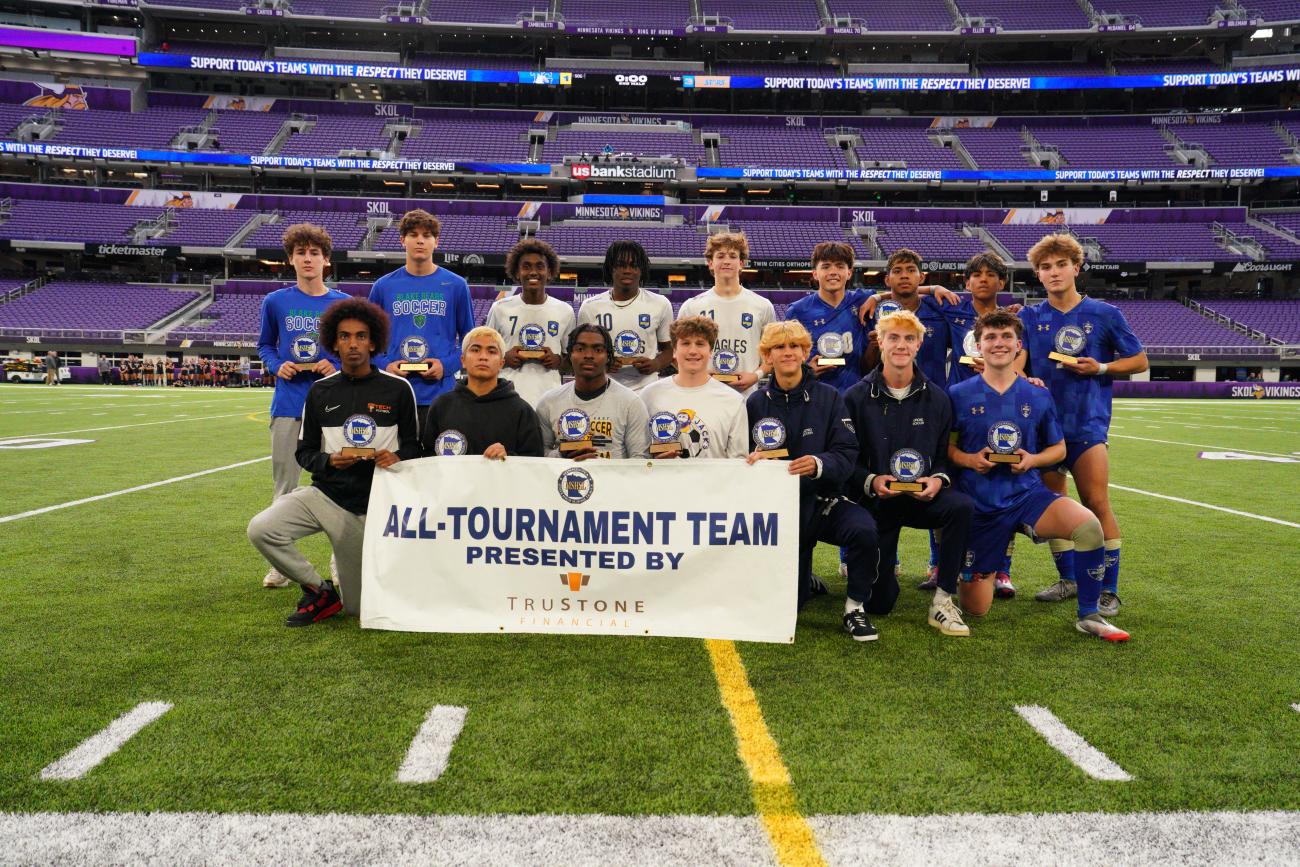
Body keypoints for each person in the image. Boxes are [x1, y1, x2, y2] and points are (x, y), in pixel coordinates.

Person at [948, 310, 1128, 641]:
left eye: (1005, 337)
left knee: (1088, 527)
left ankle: (1089, 613)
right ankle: (976, 573)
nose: (998, 343)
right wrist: (970, 459)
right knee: (976, 607)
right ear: (978, 346)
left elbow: (1058, 449)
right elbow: (946, 450)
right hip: (981, 503)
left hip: (1027, 495)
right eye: (990, 337)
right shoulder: (958, 394)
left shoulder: (1037, 393)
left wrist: (1032, 460)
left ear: (1018, 345)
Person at [247, 297, 420, 628]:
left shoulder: (398, 388)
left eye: (360, 336)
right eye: (344, 336)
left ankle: (348, 587)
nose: (353, 344)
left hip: (372, 505)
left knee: (357, 609)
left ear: (374, 342)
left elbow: (415, 447)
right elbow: (305, 452)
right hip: (326, 496)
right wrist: (328, 461)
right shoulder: (319, 392)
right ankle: (318, 589)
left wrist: (396, 457)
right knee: (262, 529)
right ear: (333, 342)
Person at [1018, 234, 1147, 616]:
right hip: (1044, 430)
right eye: (1045, 267)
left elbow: (1139, 361)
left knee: (1096, 501)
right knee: (1056, 506)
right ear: (1038, 275)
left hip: (1088, 426)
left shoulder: (1104, 314)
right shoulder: (1030, 317)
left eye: (1060, 265)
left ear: (1077, 268)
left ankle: (1109, 589)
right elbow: (1018, 363)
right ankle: (1071, 579)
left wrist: (1102, 367)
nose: (1053, 272)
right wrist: (1023, 378)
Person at [744, 321, 880, 639]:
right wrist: (750, 461)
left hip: (821, 502)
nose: (787, 352)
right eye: (779, 347)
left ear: (806, 352)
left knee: (863, 529)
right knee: (791, 605)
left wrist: (819, 464)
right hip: (775, 512)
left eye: (794, 346)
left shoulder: (830, 397)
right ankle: (805, 581)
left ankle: (854, 608)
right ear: (768, 355)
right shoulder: (754, 403)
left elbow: (847, 452)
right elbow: (741, 456)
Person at [844, 310, 974, 638]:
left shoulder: (938, 399)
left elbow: (945, 457)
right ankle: (877, 579)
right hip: (879, 502)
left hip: (921, 498)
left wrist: (938, 480)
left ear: (918, 345)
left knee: (961, 507)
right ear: (881, 342)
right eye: (893, 338)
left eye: (909, 339)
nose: (901, 345)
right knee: (879, 604)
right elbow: (846, 458)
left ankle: (943, 599)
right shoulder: (856, 397)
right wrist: (871, 480)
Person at [255, 223, 349, 588]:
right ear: (291, 259)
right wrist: (278, 365)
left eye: (314, 253)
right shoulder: (275, 301)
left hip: (333, 406)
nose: (307, 259)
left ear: (326, 260)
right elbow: (265, 346)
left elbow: (355, 349)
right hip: (289, 403)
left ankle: (340, 559)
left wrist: (336, 364)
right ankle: (283, 563)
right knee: (285, 487)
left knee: (336, 486)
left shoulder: (341, 302)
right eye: (300, 253)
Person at [942, 252, 1021, 599]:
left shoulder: (1015, 320)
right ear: (967, 281)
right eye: (977, 275)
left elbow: (1022, 363)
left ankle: (1002, 569)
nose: (984, 279)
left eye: (992, 274)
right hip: (960, 406)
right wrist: (930, 287)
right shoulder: (952, 310)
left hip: (1003, 410)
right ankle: (941, 563)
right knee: (952, 482)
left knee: (1004, 489)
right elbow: (911, 295)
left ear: (1002, 282)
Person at [368, 209, 475, 413]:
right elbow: (367, 340)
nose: (420, 241)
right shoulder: (383, 287)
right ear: (402, 240)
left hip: (441, 394)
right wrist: (384, 366)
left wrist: (446, 366)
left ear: (436, 242)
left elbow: (470, 341)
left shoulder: (456, 285)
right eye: (413, 235)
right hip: (394, 391)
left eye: (427, 236)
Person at [421, 326, 544, 459]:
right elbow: (429, 458)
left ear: (501, 363)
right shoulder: (441, 406)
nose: (483, 357)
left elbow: (534, 462)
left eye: (491, 351)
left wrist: (508, 457)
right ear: (463, 360)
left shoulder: (523, 411)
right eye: (475, 350)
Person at [676, 231, 775, 396]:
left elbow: (772, 354)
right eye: (720, 256)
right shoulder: (692, 307)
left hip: (746, 396)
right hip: (703, 394)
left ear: (741, 263)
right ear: (710, 263)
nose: (726, 261)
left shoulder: (763, 306)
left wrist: (756, 376)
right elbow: (678, 353)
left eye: (732, 256)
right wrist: (699, 374)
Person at [640, 316, 749, 460]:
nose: (693, 351)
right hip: (663, 481)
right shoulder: (648, 396)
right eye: (685, 343)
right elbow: (639, 456)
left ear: (710, 351)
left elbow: (738, 463)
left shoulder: (733, 400)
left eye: (700, 344)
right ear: (674, 350)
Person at [536, 324, 650, 460]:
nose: (589, 355)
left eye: (598, 349)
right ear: (570, 355)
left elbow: (640, 459)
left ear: (608, 356)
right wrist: (561, 454)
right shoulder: (549, 402)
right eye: (580, 349)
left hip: (613, 480)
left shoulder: (631, 403)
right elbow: (539, 455)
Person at [484, 239, 575, 407]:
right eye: (526, 266)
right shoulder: (500, 308)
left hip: (550, 402)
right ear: (517, 272)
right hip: (507, 401)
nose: (533, 272)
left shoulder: (565, 311)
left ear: (549, 272)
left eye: (540, 266)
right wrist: (504, 357)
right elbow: (485, 354)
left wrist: (558, 361)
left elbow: (572, 362)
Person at [577, 240, 673, 392]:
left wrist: (656, 364)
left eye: (634, 266)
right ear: (610, 268)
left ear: (641, 270)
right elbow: (579, 352)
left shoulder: (660, 304)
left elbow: (669, 350)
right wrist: (602, 363)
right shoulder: (590, 307)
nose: (627, 270)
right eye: (621, 265)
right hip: (604, 388)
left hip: (647, 388)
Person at [785, 241, 871, 393]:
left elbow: (906, 292)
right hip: (813, 397)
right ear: (815, 273)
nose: (833, 271)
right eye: (826, 266)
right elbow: (786, 357)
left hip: (856, 398)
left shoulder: (863, 300)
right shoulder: (797, 311)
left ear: (849, 273)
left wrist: (878, 298)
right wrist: (805, 370)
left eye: (840, 266)